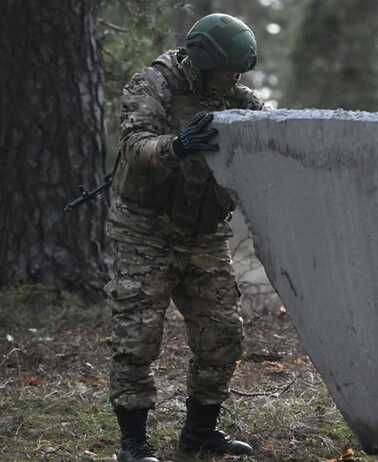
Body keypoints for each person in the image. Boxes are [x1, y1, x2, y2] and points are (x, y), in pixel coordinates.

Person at [104, 13, 263, 462]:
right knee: (137, 338)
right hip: (145, 229)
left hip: (204, 233)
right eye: (228, 70)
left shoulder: (235, 96)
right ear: (203, 60)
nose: (235, 79)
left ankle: (199, 434)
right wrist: (176, 145)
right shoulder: (153, 84)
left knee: (223, 333)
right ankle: (133, 444)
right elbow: (135, 146)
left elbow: (274, 131)